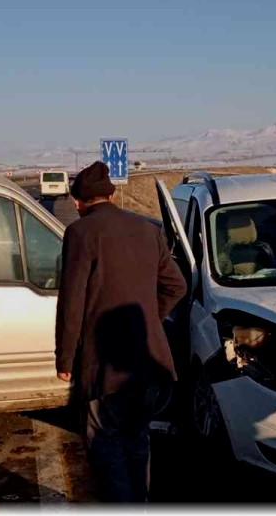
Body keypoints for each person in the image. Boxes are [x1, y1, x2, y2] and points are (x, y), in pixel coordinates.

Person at [55, 161, 187, 503]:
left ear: (78, 202)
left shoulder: (80, 234)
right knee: (137, 436)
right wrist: (148, 321)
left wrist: (65, 357)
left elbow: (72, 302)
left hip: (104, 362)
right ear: (112, 194)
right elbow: (177, 286)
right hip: (148, 358)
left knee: (105, 440)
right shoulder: (147, 230)